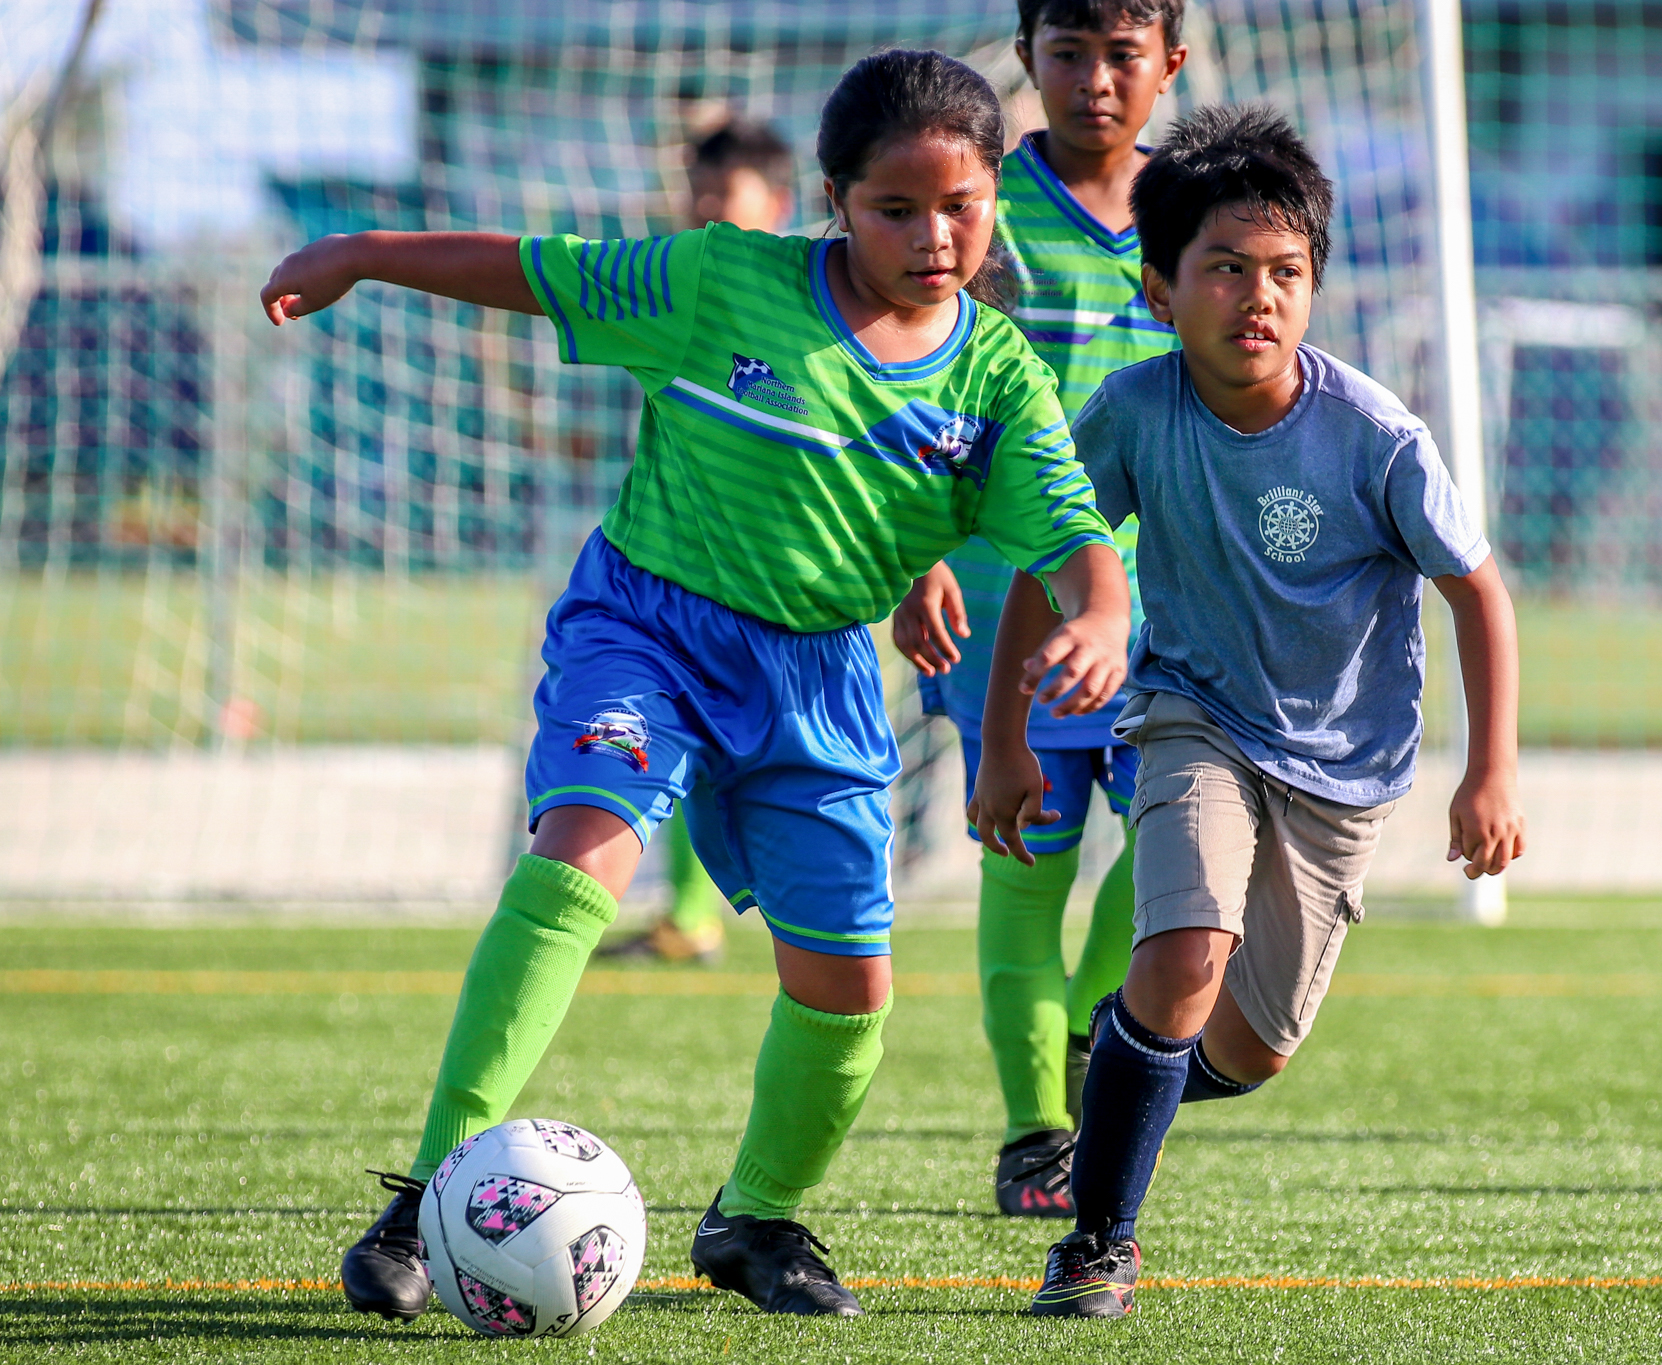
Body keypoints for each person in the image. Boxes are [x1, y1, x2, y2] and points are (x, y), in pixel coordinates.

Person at [260, 50, 1130, 1321]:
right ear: (835, 199)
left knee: (850, 991)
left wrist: (1099, 607)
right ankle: (436, 1192)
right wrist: (360, 251)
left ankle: (756, 1219)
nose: (931, 235)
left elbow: (1065, 530)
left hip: (821, 680)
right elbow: (532, 267)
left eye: (959, 206)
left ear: (995, 194)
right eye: (895, 208)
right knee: (579, 858)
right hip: (648, 629)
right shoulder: (723, 280)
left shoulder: (995, 375)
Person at [967, 106, 1528, 1319]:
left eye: (1284, 272)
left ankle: (1119, 1067)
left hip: (1340, 770)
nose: (1257, 296)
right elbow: (1041, 555)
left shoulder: (1373, 434)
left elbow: (1474, 590)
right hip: (1191, 720)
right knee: (1179, 955)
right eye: (1224, 269)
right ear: (1161, 292)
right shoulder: (1130, 410)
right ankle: (1094, 1246)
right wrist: (1007, 739)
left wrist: (1488, 775)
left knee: (1250, 1048)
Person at [889, 0, 1187, 1221]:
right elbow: (902, 365)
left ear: (1169, 63)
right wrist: (919, 557)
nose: (1095, 83)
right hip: (1006, 597)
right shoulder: (977, 206)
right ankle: (1034, 1130)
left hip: (1165, 601)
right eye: (1068, 55)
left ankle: (1084, 1028)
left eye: (1122, 57)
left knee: (1173, 857)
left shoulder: (1196, 212)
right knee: (1025, 864)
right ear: (1028, 61)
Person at [604, 115, 798, 967]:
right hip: (688, 584)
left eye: (727, 196)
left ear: (784, 204)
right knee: (675, 737)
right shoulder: (677, 290)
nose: (706, 211)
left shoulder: (816, 308)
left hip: (795, 591)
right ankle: (687, 916)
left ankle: (785, 917)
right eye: (698, 195)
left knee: (773, 769)